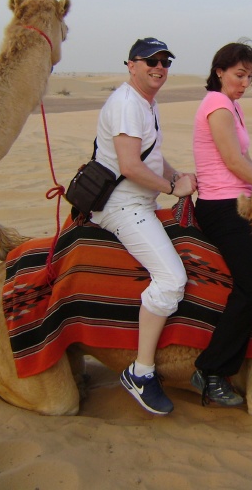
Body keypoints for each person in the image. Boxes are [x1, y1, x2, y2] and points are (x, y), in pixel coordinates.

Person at [90, 37, 197, 415]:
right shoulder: (126, 105)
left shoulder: (145, 103)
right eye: (151, 60)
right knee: (171, 279)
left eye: (165, 61)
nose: (159, 67)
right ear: (131, 65)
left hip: (142, 202)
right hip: (123, 206)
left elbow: (151, 157)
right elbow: (130, 166)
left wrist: (177, 176)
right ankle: (141, 371)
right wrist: (171, 188)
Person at [191, 41, 252, 406]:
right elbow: (233, 162)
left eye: (249, 76)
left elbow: (246, 158)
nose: (244, 83)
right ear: (220, 71)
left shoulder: (233, 106)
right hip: (221, 206)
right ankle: (210, 370)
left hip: (240, 202)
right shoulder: (217, 105)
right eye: (239, 75)